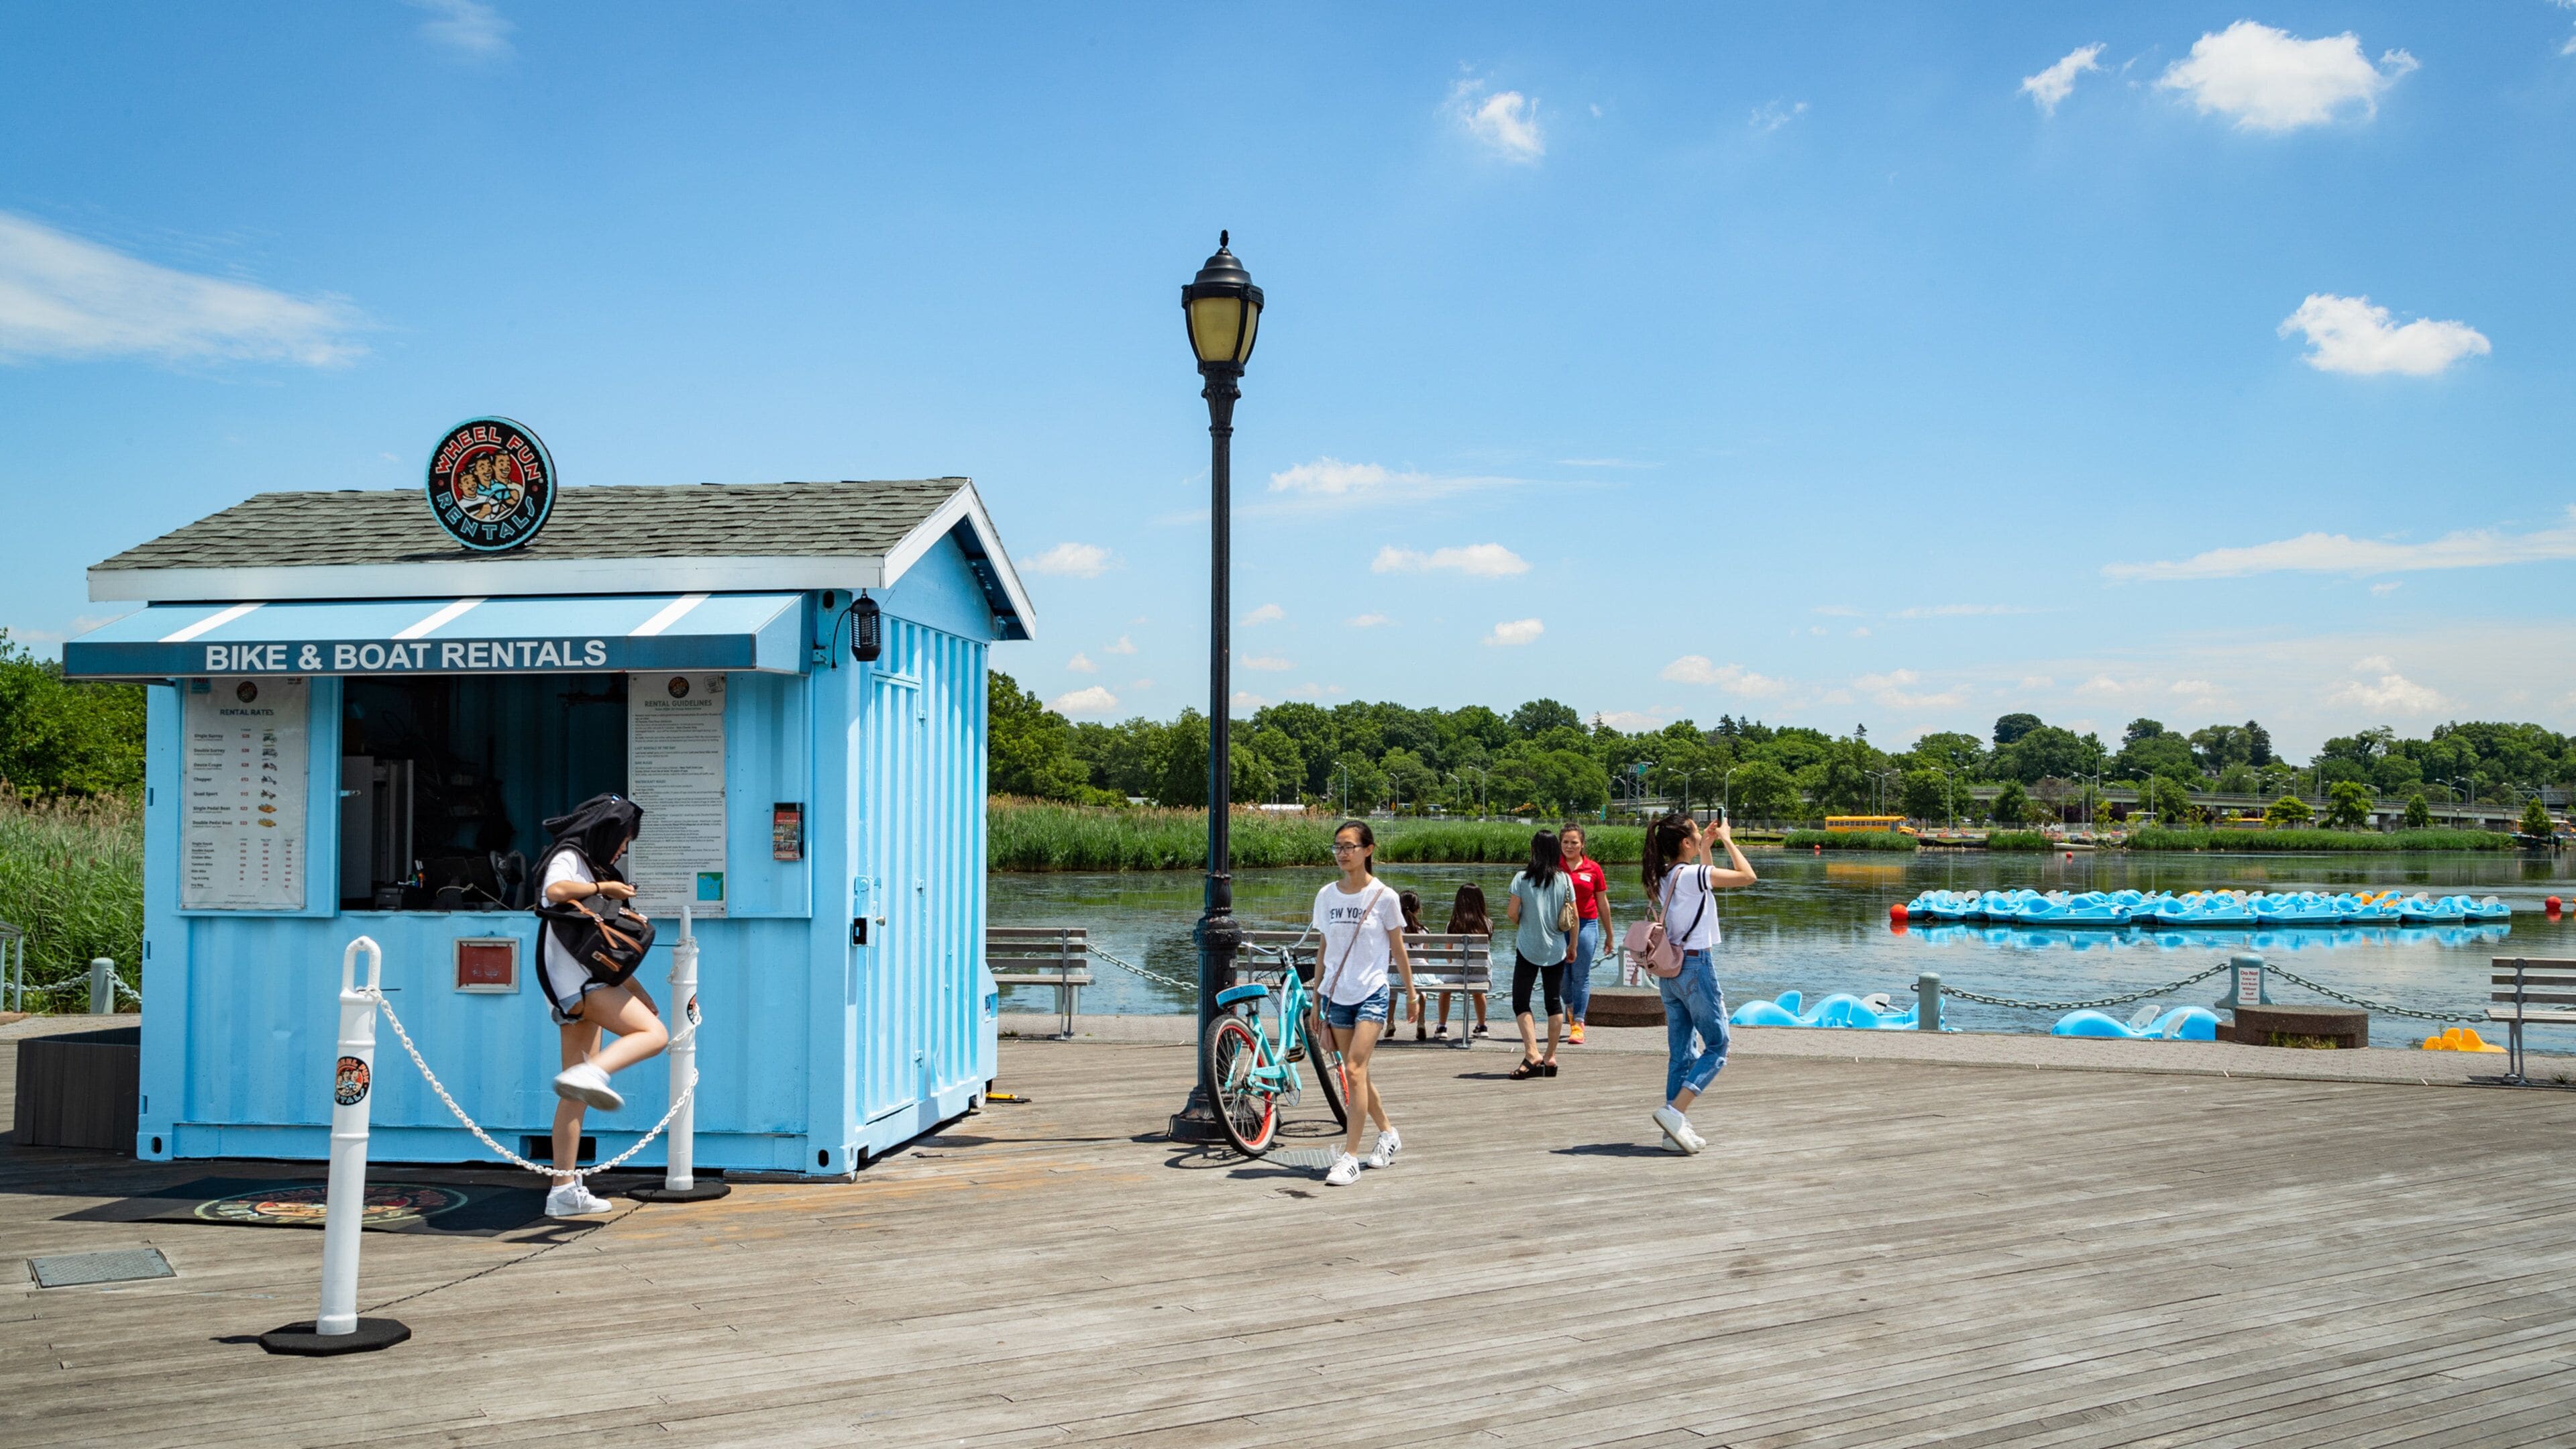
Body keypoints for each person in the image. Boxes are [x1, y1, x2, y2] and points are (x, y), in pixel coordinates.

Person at [533, 793, 671, 1218]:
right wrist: (602, 888)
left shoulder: (586, 864)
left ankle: (563, 1192)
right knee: (654, 1035)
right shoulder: (570, 856)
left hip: (576, 983)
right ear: (607, 830)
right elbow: (554, 891)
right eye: (623, 841)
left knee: (573, 1095)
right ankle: (595, 1072)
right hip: (581, 983)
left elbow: (596, 943)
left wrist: (638, 990)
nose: (622, 850)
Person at [1640, 812, 1757, 1155]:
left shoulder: (1665, 875)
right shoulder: (1692, 875)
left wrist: (1707, 845)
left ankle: (1672, 1132)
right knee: (1718, 1046)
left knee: (1681, 1053)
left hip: (1671, 971)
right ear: (1684, 843)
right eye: (1694, 835)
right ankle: (1675, 1111)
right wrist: (1728, 840)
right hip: (1696, 966)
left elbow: (1705, 887)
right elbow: (1747, 876)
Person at [1311, 820, 1421, 1186]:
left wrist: (1411, 992)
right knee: (1357, 1074)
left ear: (1368, 850)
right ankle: (1389, 1134)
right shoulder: (1327, 895)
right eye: (1337, 847)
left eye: (1349, 847)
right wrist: (1316, 998)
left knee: (1354, 1071)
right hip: (1336, 995)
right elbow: (1324, 947)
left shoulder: (1385, 896)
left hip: (1372, 992)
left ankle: (1350, 1157)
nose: (1342, 853)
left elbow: (1397, 948)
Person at [1503, 829, 1575, 1079]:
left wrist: (1524, 922)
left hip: (1527, 947)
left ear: (1533, 850)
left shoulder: (1522, 879)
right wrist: (1572, 946)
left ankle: (1532, 1053)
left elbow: (1512, 913)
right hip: (1556, 949)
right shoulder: (1565, 880)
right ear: (1556, 851)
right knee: (1553, 1001)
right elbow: (1572, 917)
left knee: (1521, 1001)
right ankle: (1551, 1057)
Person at [1558, 823, 1613, 1045]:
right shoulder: (1553, 867)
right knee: (1561, 976)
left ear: (1582, 844)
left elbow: (1602, 902)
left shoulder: (1593, 868)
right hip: (1559, 927)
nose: (1569, 846)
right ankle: (1571, 1007)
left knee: (1580, 975)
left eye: (1574, 842)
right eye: (1565, 842)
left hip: (1587, 925)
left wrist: (1610, 934)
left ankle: (1578, 1023)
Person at [1433, 883, 1493, 1041]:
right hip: (1481, 975)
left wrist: (1454, 963)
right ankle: (1482, 1026)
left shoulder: (1453, 924)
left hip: (1456, 974)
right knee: (1478, 992)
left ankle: (1442, 1027)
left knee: (1445, 991)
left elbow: (1449, 953)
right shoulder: (1487, 923)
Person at [1395, 889, 1428, 1040]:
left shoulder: (1395, 931)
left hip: (1397, 974)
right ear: (1418, 909)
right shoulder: (1424, 931)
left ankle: (1390, 1023)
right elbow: (1426, 959)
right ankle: (1421, 1022)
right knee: (1423, 991)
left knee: (1390, 991)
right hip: (1421, 976)